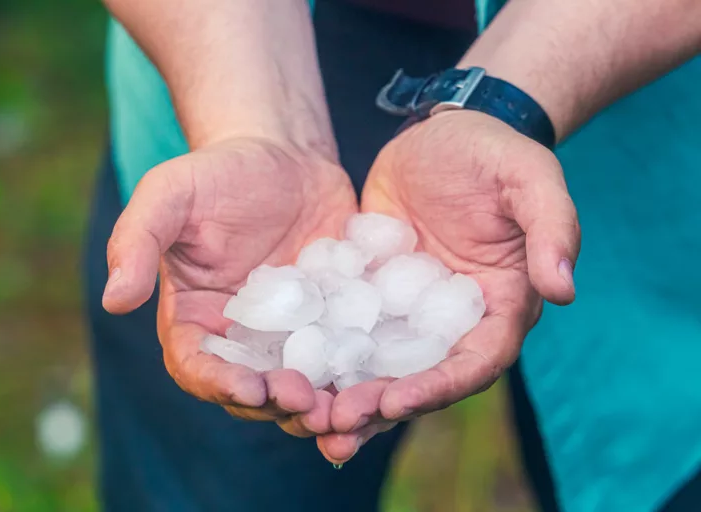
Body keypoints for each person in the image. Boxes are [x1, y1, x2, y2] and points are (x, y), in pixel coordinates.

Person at [83, 0, 701, 510]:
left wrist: (500, 106)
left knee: (656, 448)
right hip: (223, 44)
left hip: (634, 79)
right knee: (220, 480)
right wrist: (251, 126)